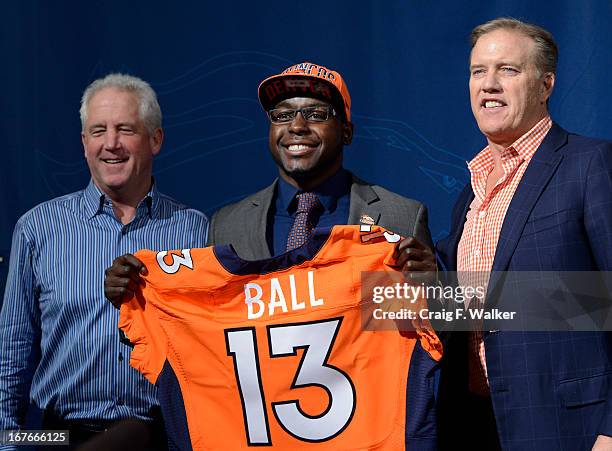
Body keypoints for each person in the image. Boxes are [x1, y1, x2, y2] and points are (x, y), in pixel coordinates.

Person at [105, 61, 436, 304]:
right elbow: (204, 318)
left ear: (347, 132)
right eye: (282, 115)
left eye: (316, 114)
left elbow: (437, 341)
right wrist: (140, 293)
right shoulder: (227, 225)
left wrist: (433, 292)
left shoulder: (401, 216)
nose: (297, 126)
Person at [0, 73, 208, 450]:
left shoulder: (195, 231)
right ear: (84, 144)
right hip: (58, 438)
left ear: (155, 139)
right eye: (98, 131)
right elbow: (10, 352)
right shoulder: (37, 228)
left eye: (125, 129)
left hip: (160, 437)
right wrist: (7, 443)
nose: (110, 144)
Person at [435, 18, 612, 450]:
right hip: (478, 425)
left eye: (508, 70)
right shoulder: (470, 196)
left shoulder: (591, 165)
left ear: (546, 84)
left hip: (572, 428)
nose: (489, 85)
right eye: (479, 71)